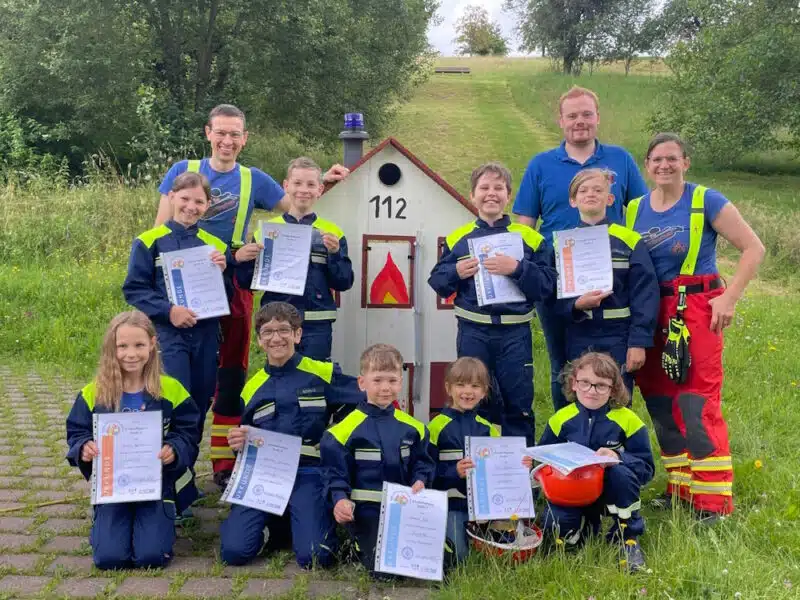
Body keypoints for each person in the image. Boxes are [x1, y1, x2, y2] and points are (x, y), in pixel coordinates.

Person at [155, 104, 349, 485]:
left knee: (230, 376)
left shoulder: (254, 178)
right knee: (182, 377)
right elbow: (161, 230)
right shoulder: (182, 170)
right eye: (221, 133)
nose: (227, 141)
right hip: (186, 285)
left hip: (231, 285)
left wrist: (324, 180)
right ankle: (175, 468)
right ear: (208, 133)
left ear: (245, 139)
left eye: (235, 135)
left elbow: (296, 210)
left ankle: (225, 465)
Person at [628, 133, 765, 522]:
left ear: (686, 162)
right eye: (656, 160)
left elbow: (754, 248)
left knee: (695, 400)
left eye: (672, 159)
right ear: (647, 165)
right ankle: (681, 488)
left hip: (695, 308)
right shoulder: (635, 209)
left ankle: (712, 503)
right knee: (659, 399)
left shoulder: (706, 200)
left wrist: (729, 297)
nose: (664, 166)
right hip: (651, 308)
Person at [514, 86, 649, 410]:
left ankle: (613, 438)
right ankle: (568, 438)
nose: (580, 121)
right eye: (572, 115)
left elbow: (642, 213)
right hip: (560, 281)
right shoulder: (541, 165)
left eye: (587, 114)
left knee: (612, 365)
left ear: (597, 118)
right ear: (561, 121)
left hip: (613, 279)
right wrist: (529, 276)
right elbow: (524, 226)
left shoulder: (621, 160)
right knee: (565, 364)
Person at [219, 302, 363, 568]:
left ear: (297, 335)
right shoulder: (251, 389)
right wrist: (237, 443)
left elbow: (365, 401)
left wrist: (336, 436)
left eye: (284, 330)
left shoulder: (322, 372)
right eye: (268, 332)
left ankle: (302, 521)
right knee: (234, 553)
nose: (277, 338)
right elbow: (246, 439)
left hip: (310, 473)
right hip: (265, 474)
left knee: (315, 557)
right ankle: (276, 526)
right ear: (260, 340)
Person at [428, 162, 557, 446]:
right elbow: (437, 281)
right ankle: (476, 474)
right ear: (472, 195)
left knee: (518, 403)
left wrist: (518, 268)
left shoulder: (530, 239)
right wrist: (456, 272)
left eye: (498, 188)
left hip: (515, 334)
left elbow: (548, 285)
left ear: (508, 195)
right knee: (472, 399)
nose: (491, 194)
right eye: (484, 188)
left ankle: (519, 477)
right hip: (474, 331)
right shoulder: (458, 239)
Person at [123, 171, 229, 510]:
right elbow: (134, 288)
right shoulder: (149, 240)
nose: (191, 206)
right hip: (169, 336)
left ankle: (184, 483)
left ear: (207, 205)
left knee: (198, 406)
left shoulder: (215, 246)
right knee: (172, 404)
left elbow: (227, 296)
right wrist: (169, 311)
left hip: (206, 336)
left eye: (199, 201)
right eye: (185, 199)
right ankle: (160, 484)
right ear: (171, 197)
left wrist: (224, 270)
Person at [65, 311, 200, 569]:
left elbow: (189, 431)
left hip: (157, 483)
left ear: (152, 344)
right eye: (122, 346)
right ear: (111, 349)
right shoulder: (94, 392)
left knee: (151, 557)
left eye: (139, 345)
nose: (131, 354)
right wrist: (84, 447)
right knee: (109, 559)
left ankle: (164, 517)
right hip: (113, 486)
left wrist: (174, 448)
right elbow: (77, 430)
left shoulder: (171, 389)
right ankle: (106, 525)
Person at [524, 352, 655, 572]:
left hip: (609, 491)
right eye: (585, 383)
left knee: (621, 474)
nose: (592, 391)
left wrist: (618, 457)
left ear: (613, 389)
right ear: (574, 383)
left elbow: (647, 468)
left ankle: (626, 538)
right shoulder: (561, 419)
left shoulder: (628, 420)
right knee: (554, 526)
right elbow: (544, 456)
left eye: (601, 386)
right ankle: (578, 531)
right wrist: (532, 461)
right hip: (572, 491)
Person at [320, 343, 436, 579]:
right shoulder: (340, 433)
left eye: (392, 381)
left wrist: (421, 480)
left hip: (405, 509)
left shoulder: (416, 429)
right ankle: (354, 545)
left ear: (401, 383)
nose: (385, 388)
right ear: (362, 383)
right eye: (378, 380)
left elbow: (423, 464)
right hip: (366, 511)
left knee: (439, 564)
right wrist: (340, 500)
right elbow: (335, 475)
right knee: (386, 573)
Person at [234, 157, 354, 361]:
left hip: (317, 325)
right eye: (297, 183)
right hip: (277, 325)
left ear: (320, 189)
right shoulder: (265, 231)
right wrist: (243, 260)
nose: (303, 190)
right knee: (280, 380)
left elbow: (343, 282)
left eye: (310, 185)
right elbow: (247, 282)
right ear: (286, 186)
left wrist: (334, 254)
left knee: (313, 383)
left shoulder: (332, 233)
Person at [556, 168, 659, 398]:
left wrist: (638, 342)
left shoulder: (629, 240)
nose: (590, 194)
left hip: (618, 336)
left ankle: (616, 437)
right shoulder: (563, 244)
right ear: (573, 200)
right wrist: (574, 305)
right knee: (581, 398)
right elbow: (551, 294)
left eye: (598, 190)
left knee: (617, 399)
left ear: (610, 198)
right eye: (583, 190)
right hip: (579, 333)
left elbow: (646, 295)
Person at [428, 357, 499, 568]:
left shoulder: (489, 429)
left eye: (475, 386)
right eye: (461, 385)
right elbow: (426, 470)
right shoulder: (436, 426)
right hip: (451, 505)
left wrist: (520, 464)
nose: (468, 391)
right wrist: (453, 472)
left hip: (484, 507)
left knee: (493, 556)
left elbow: (501, 471)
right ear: (449, 388)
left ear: (484, 391)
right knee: (459, 559)